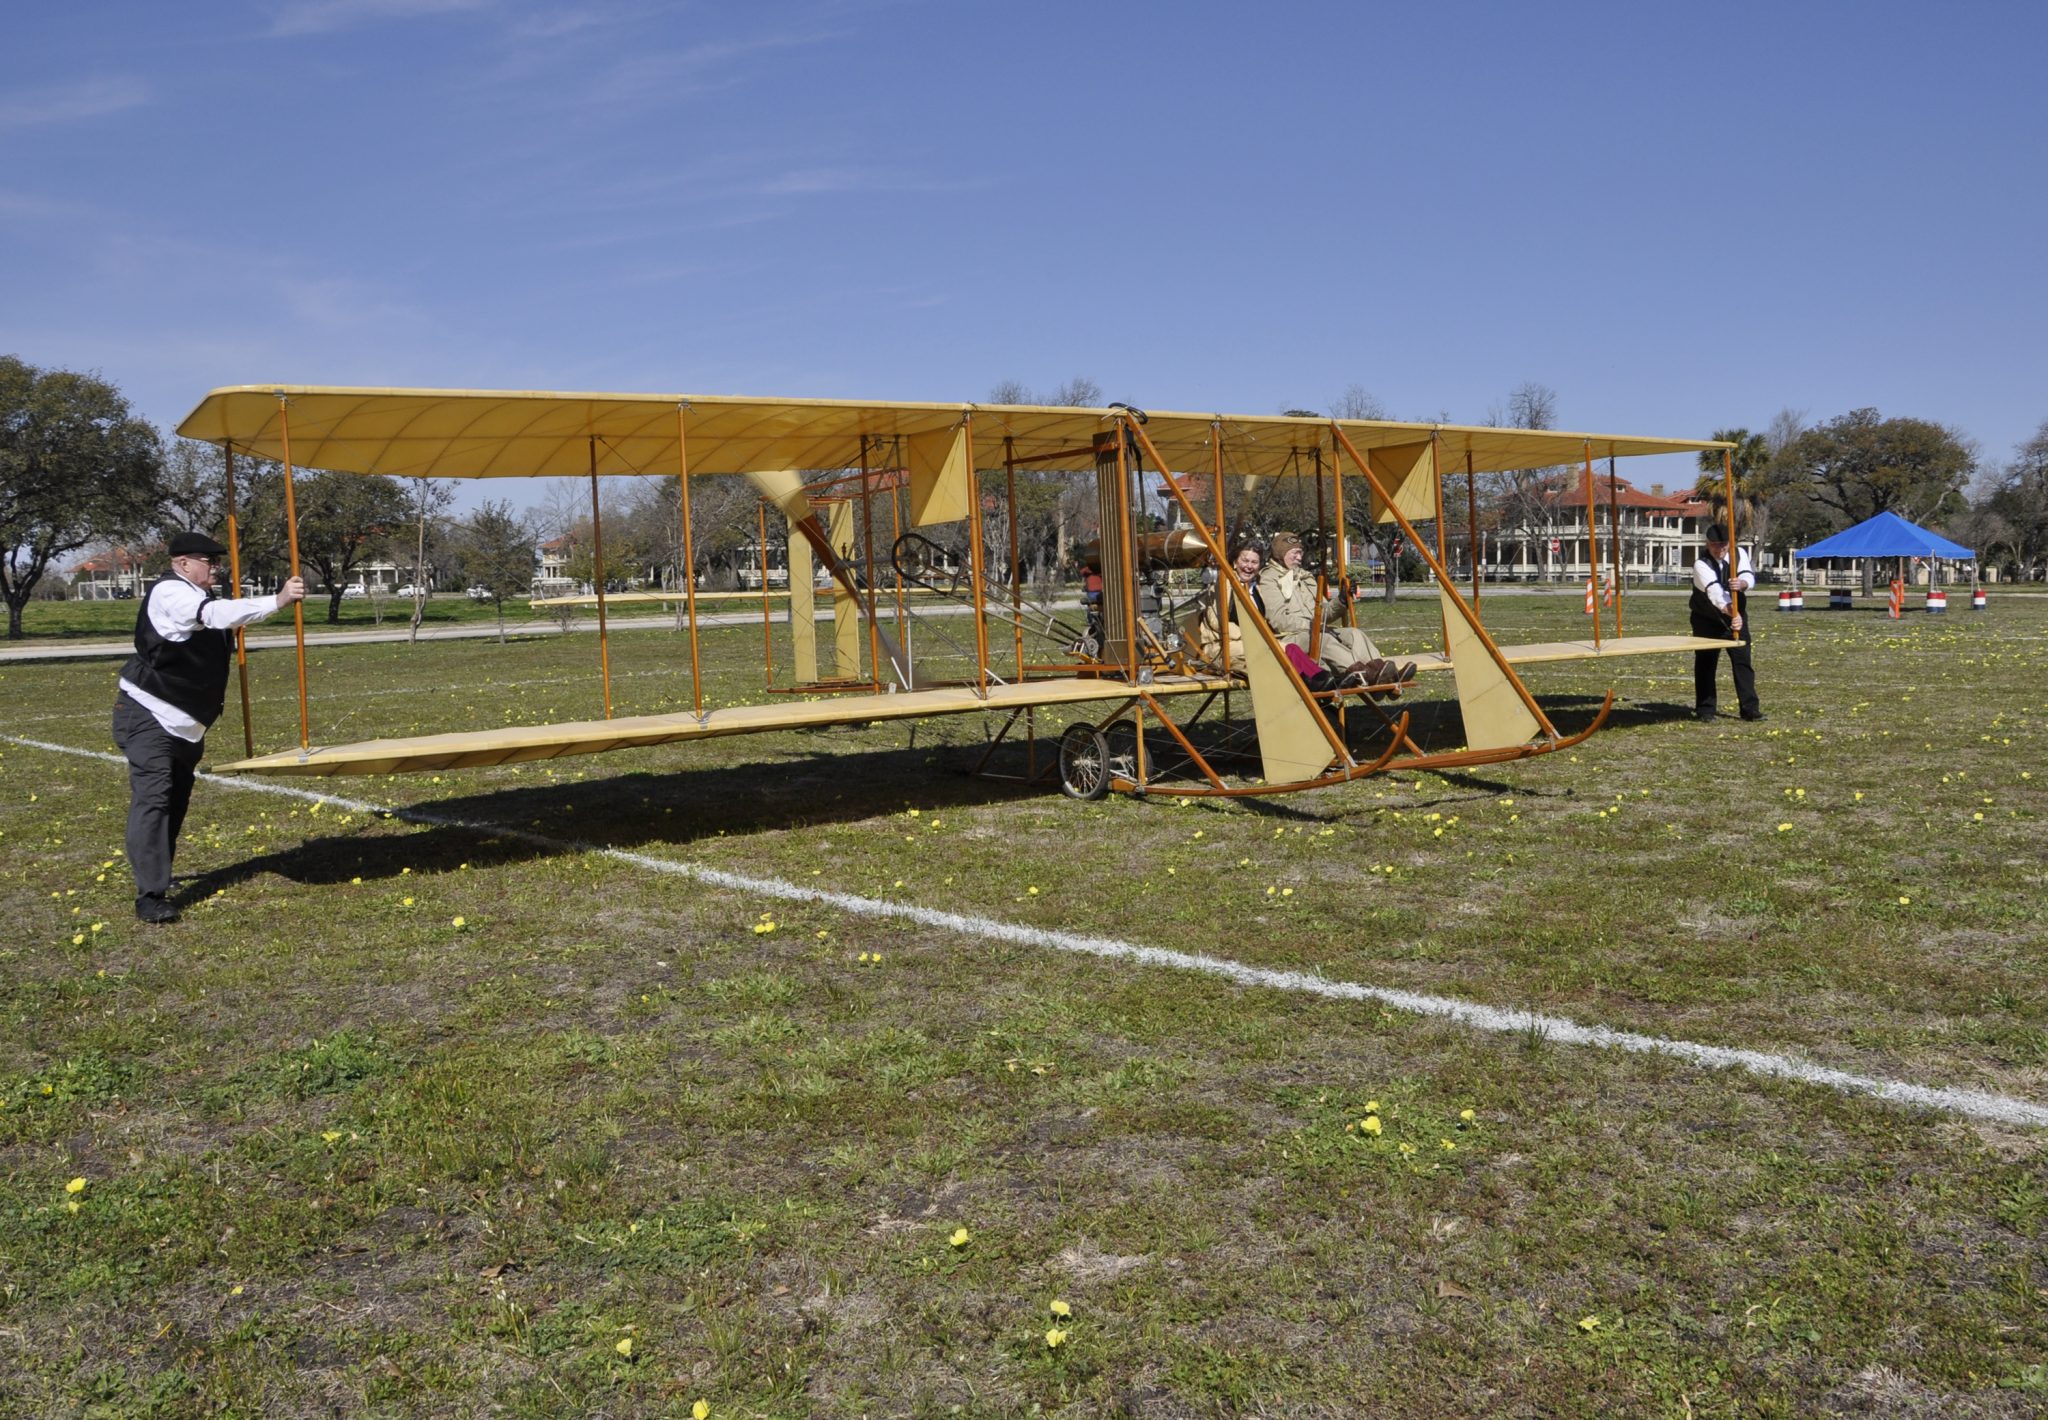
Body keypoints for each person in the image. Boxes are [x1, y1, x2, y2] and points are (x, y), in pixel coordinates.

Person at [114, 532, 306, 922]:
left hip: (188, 725)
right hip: (149, 713)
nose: (216, 568)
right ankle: (150, 896)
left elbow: (220, 621)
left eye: (217, 562)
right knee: (154, 798)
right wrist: (279, 599)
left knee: (175, 801)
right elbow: (212, 616)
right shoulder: (171, 593)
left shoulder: (199, 596)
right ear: (183, 563)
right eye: (209, 561)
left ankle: (159, 878)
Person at [1257, 531, 1415, 691]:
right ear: (1281, 553)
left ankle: (1384, 674)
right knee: (1324, 640)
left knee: (1354, 634)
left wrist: (1341, 600)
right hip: (1289, 639)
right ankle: (1364, 676)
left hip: (1316, 631)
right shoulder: (1269, 579)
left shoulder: (1305, 578)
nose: (1299, 557)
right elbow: (1278, 620)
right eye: (1295, 553)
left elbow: (1325, 613)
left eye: (1300, 553)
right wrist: (1314, 626)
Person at [1690, 521, 1764, 722]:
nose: (1719, 549)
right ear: (1707, 544)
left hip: (1737, 614)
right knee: (1706, 662)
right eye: (1714, 545)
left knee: (1743, 661)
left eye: (1723, 544)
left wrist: (1742, 583)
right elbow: (1715, 593)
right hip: (1707, 618)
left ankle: (1750, 709)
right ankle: (1705, 710)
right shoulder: (1701, 564)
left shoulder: (1739, 554)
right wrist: (1734, 614)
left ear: (1729, 543)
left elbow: (1748, 575)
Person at [1198, 542, 1269, 671]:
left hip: (1252, 644)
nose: (1249, 566)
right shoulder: (1223, 585)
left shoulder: (1256, 589)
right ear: (1235, 563)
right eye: (1245, 561)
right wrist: (1249, 635)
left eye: (1254, 562)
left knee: (1290, 648)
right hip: (1221, 647)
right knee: (1273, 652)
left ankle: (1313, 682)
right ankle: (1310, 682)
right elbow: (1217, 621)